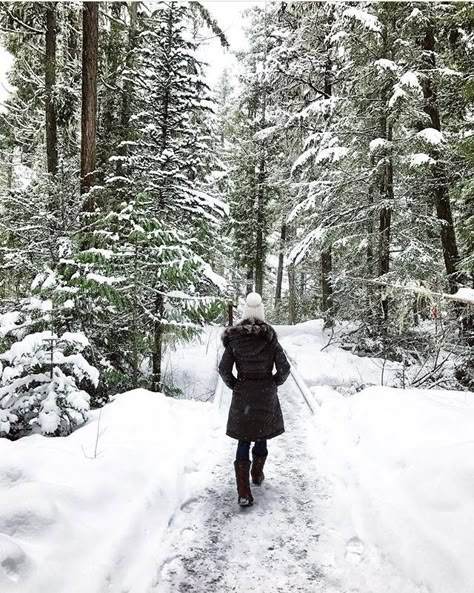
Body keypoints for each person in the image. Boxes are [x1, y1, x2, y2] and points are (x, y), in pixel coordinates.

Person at [218, 292, 290, 507]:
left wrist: (235, 384)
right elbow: (284, 368)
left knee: (243, 438)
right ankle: (257, 474)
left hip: (243, 393)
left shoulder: (235, 339)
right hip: (265, 392)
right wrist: (273, 383)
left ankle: (243, 492)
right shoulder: (270, 337)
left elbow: (223, 369)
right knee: (261, 434)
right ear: (262, 312)